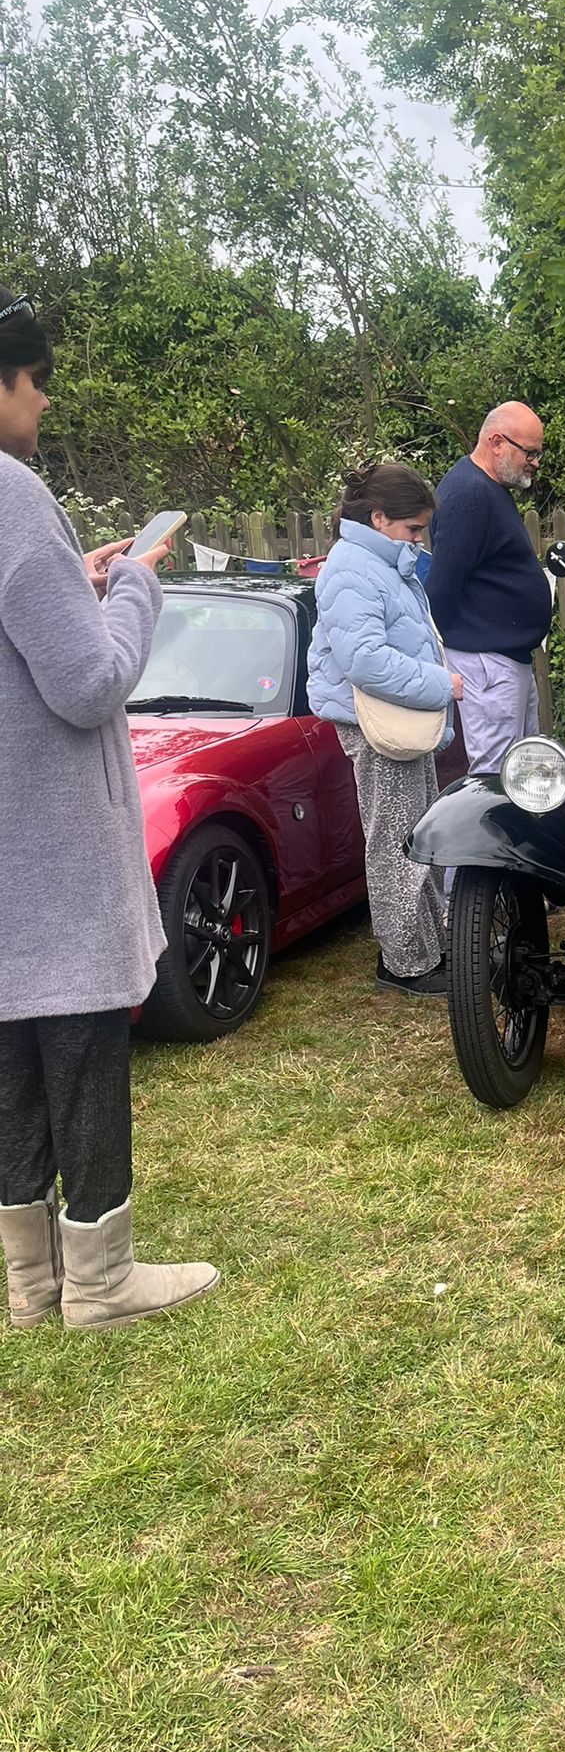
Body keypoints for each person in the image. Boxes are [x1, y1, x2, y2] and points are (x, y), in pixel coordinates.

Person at [0, 288, 218, 1332]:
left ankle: (32, 1281)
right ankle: (99, 1280)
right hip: (48, 835)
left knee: (9, 1048)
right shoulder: (13, 493)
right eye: (36, 382)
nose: (44, 404)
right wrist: (133, 585)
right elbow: (89, 684)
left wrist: (77, 588)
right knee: (83, 1036)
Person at [308, 463, 462, 997]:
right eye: (413, 529)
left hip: (395, 721)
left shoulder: (376, 563)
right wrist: (440, 684)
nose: (419, 540)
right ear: (378, 518)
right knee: (396, 845)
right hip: (375, 725)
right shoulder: (352, 570)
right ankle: (404, 962)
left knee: (418, 834)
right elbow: (366, 661)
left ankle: (432, 947)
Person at [426, 401, 553, 774]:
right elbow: (442, 588)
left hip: (501, 660)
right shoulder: (469, 496)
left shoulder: (486, 488)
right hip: (486, 664)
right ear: (497, 442)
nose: (535, 462)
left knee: (522, 771)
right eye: (529, 452)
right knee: (496, 775)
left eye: (538, 453)